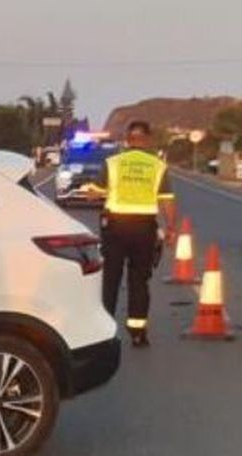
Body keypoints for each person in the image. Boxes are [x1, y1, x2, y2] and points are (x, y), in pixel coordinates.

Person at [99, 120, 176, 347]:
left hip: (115, 227)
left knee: (111, 279)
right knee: (139, 280)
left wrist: (96, 192)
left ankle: (104, 332)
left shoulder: (113, 163)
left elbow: (96, 192)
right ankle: (137, 332)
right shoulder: (157, 166)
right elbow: (167, 201)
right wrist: (171, 228)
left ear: (128, 139)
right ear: (148, 139)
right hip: (144, 229)